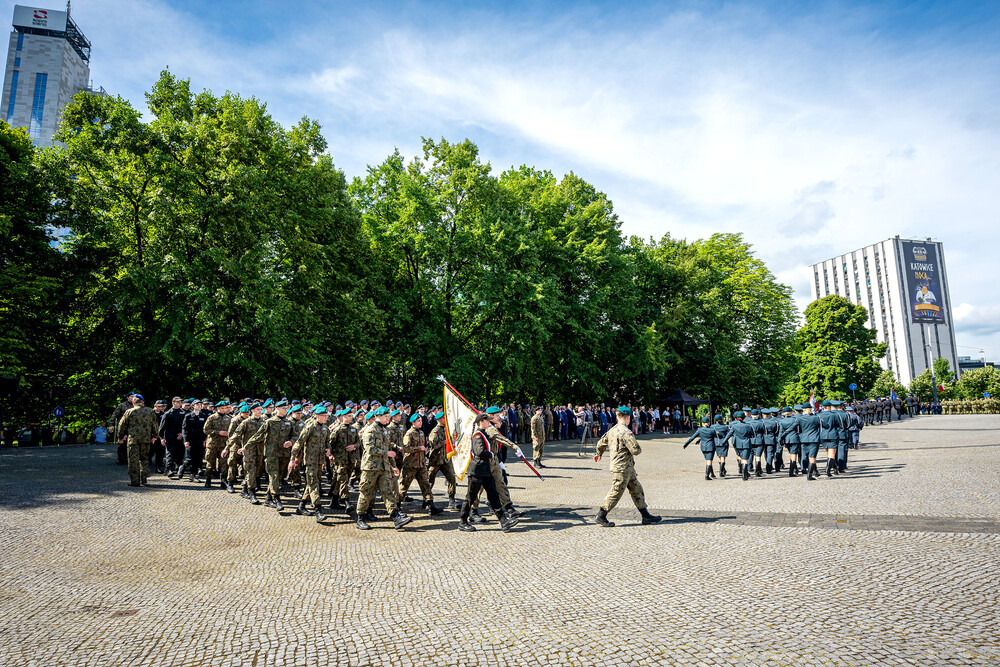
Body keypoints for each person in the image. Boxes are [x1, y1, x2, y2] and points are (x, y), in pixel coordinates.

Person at [593, 407, 660, 528]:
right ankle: (601, 515)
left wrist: (599, 454)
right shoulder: (625, 432)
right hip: (622, 468)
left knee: (636, 489)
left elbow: (600, 443)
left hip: (626, 468)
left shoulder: (612, 430)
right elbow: (636, 450)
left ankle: (645, 515)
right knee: (616, 491)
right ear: (627, 417)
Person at [458, 413, 519, 533]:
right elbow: (479, 451)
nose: (489, 422)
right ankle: (463, 521)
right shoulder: (478, 435)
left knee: (493, 496)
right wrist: (491, 454)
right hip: (477, 471)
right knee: (470, 497)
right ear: (481, 422)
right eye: (487, 421)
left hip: (486, 471)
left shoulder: (485, 433)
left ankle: (504, 521)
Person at [354, 407, 412, 531]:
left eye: (388, 416)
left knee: (388, 491)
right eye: (386, 416)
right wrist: (387, 453)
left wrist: (393, 466)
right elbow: (370, 449)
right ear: (378, 417)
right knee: (366, 493)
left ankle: (396, 517)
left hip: (384, 467)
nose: (388, 419)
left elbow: (388, 449)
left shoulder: (385, 430)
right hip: (370, 467)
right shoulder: (370, 430)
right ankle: (360, 518)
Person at [289, 405, 333, 522]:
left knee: (311, 483)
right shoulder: (309, 427)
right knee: (314, 484)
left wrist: (328, 450)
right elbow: (299, 443)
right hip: (310, 461)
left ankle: (301, 506)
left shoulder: (325, 428)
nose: (325, 418)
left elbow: (328, 441)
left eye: (326, 416)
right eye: (323, 416)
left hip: (320, 461)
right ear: (316, 416)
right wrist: (293, 459)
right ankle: (318, 510)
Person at [397, 413, 442, 515]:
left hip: (421, 464)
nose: (420, 422)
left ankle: (430, 505)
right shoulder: (409, 434)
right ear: (413, 422)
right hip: (410, 465)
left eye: (421, 421)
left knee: (425, 485)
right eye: (418, 421)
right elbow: (406, 449)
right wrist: (418, 448)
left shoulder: (421, 432)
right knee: (404, 486)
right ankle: (397, 506)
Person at [117, 394, 158, 487]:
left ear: (133, 402)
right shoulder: (150, 411)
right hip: (146, 439)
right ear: (142, 402)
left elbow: (122, 425)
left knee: (133, 460)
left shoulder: (129, 411)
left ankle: (135, 481)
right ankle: (144, 478)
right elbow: (155, 424)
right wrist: (155, 436)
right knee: (144, 458)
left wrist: (120, 437)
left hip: (133, 440)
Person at [426, 410, 458, 509]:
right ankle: (427, 501)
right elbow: (433, 445)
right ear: (439, 419)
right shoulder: (435, 431)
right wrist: (444, 442)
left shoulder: (446, 430)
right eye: (444, 418)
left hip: (444, 460)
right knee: (429, 481)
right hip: (435, 461)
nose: (446, 419)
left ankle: (452, 500)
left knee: (451, 478)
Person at [202, 401, 232, 488]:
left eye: (225, 408)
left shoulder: (229, 418)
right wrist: (218, 432)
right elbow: (206, 430)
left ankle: (223, 480)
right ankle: (208, 480)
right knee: (210, 463)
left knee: (224, 463)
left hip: (223, 445)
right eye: (222, 408)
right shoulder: (211, 418)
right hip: (212, 444)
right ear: (218, 408)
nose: (224, 410)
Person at [683, 416, 723, 480]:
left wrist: (686, 443)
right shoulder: (712, 430)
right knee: (709, 461)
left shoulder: (700, 430)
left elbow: (692, 437)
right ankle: (707, 475)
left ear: (703, 423)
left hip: (703, 447)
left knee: (708, 460)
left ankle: (712, 473)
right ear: (709, 422)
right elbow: (719, 436)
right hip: (711, 447)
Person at [179, 399, 208, 482]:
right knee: (189, 458)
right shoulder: (188, 416)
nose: (199, 406)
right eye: (197, 404)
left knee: (198, 458)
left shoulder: (203, 416)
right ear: (193, 406)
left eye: (200, 404)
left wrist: (204, 440)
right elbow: (185, 429)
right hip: (191, 440)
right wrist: (186, 440)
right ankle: (182, 467)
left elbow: (204, 430)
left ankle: (193, 475)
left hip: (199, 440)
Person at [158, 397, 187, 477]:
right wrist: (162, 438)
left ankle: (178, 468)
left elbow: (185, 426)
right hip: (170, 437)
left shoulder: (183, 413)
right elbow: (162, 427)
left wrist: (182, 433)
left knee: (180, 453)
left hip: (180, 437)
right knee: (170, 454)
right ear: (173, 403)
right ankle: (168, 470)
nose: (180, 404)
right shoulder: (168, 414)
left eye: (181, 402)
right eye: (178, 402)